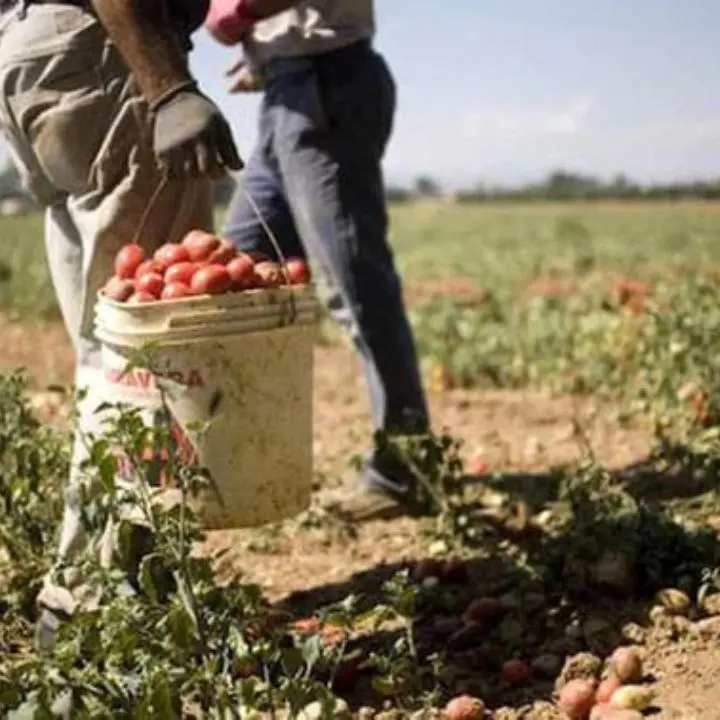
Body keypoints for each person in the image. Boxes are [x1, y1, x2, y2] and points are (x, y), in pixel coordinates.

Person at [0, 0, 242, 649]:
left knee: (109, 347)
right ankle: (92, 602)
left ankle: (125, 578)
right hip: (102, 54)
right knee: (151, 353)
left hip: (33, 58)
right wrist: (168, 88)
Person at [205, 0, 431, 523]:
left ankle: (405, 469)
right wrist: (266, 52)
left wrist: (234, 13)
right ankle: (244, 459)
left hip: (328, 85)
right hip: (288, 89)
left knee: (355, 286)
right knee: (236, 269)